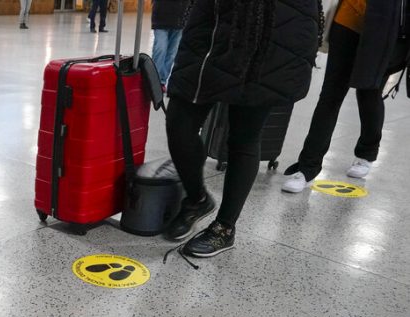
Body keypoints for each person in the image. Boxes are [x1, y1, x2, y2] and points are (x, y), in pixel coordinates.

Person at [163, 0, 321, 258]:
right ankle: (197, 199)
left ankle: (224, 228)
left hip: (273, 31)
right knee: (180, 123)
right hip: (212, 25)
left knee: (244, 137)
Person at [282, 0, 410, 192]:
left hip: (384, 27)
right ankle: (308, 167)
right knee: (331, 95)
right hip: (348, 20)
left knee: (368, 92)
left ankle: (367, 151)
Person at [150, 0, 189, 88]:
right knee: (160, 49)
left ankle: (162, 81)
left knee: (172, 54)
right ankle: (153, 81)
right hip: (161, 17)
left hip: (180, 19)